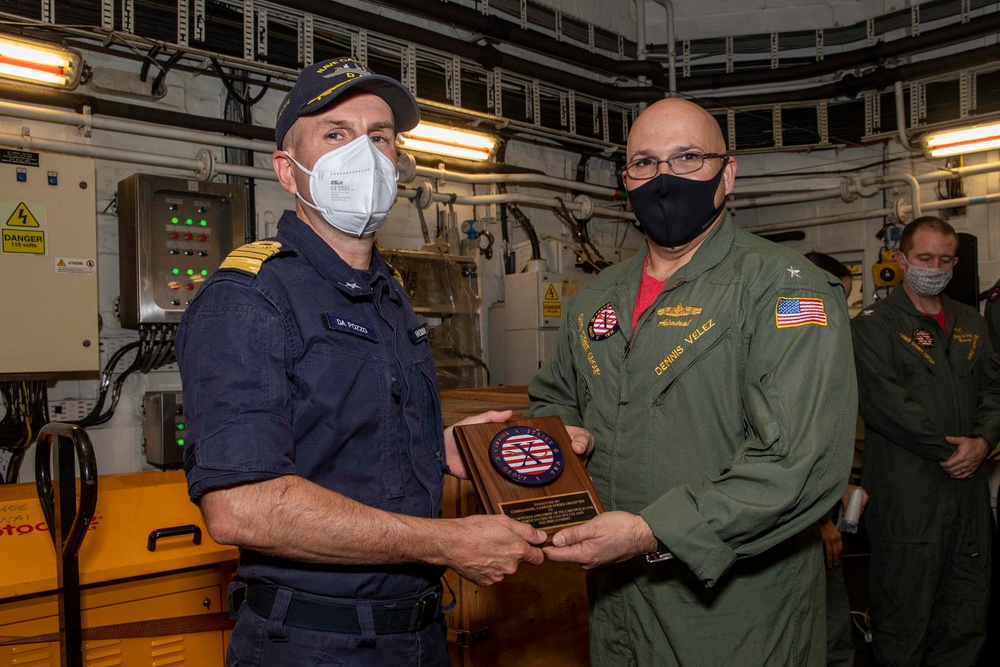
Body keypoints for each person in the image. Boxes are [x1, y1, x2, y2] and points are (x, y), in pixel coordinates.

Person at [175, 57, 546, 666]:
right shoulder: (249, 298)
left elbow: (343, 437)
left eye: (379, 136)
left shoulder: (386, 292)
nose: (365, 154)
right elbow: (242, 505)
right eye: (336, 134)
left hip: (418, 634)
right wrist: (444, 543)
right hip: (315, 644)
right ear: (287, 171)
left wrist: (439, 447)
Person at [526, 97, 857, 666]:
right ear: (625, 181)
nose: (663, 178)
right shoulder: (595, 300)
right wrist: (558, 437)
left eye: (687, 158)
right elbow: (553, 396)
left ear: (727, 175)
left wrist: (653, 530)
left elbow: (800, 463)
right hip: (618, 600)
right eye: (645, 162)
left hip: (735, 612)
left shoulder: (785, 291)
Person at [851, 216, 1000, 666]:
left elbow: (994, 389)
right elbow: (885, 404)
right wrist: (954, 450)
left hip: (968, 495)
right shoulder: (874, 326)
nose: (935, 267)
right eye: (924, 258)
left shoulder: (971, 321)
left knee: (965, 616)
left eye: (945, 259)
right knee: (904, 619)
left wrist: (983, 442)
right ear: (901, 259)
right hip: (908, 495)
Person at [804, 251, 869, 667]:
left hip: (824, 502)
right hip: (804, 520)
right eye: (834, 297)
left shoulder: (828, 344)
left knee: (833, 627)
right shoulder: (795, 348)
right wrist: (821, 522)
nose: (840, 309)